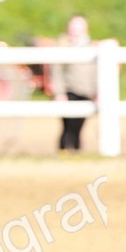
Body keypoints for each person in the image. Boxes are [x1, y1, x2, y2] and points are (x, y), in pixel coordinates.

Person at [39, 14, 102, 152]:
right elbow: (57, 71)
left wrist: (97, 92)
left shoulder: (91, 47)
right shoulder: (63, 45)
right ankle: (65, 151)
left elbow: (95, 72)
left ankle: (75, 152)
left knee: (78, 127)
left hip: (86, 92)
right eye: (73, 26)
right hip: (69, 91)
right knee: (68, 126)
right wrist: (59, 93)